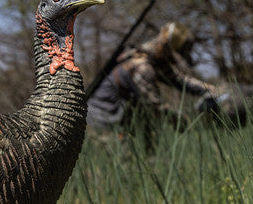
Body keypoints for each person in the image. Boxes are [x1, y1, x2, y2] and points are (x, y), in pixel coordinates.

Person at [87, 21, 219, 148]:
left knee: (145, 139)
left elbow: (180, 80)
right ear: (169, 48)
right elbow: (155, 105)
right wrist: (180, 120)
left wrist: (209, 89)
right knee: (121, 155)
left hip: (121, 114)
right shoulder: (143, 66)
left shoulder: (156, 59)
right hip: (102, 118)